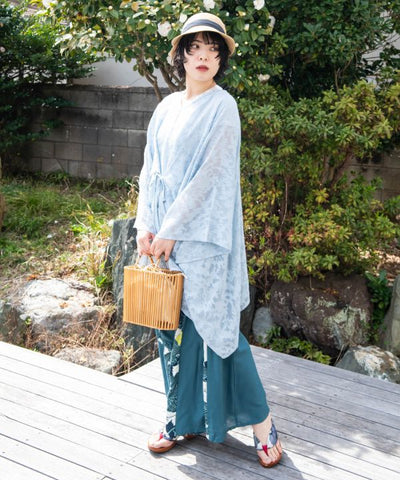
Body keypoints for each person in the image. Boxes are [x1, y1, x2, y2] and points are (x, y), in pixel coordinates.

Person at [134, 12, 282, 468]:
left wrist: (172, 229)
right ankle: (179, 418)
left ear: (220, 60)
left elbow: (210, 177)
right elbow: (149, 169)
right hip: (162, 242)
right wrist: (145, 225)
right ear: (181, 55)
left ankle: (263, 425)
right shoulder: (165, 108)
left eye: (213, 50)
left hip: (203, 244)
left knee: (219, 333)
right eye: (195, 48)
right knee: (171, 333)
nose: (204, 56)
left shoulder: (223, 107)